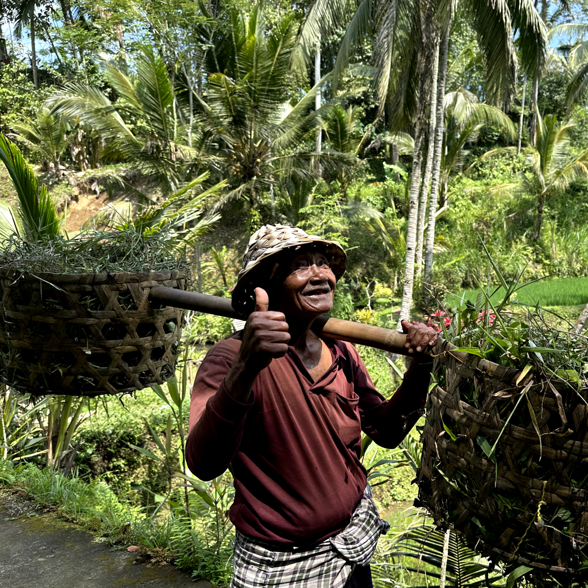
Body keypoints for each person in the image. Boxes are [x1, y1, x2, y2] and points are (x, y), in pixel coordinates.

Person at [186, 225, 438, 588]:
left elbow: (387, 431)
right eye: (301, 265)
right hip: (283, 566)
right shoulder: (228, 360)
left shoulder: (340, 350)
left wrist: (422, 365)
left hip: (352, 547)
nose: (321, 274)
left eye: (324, 264)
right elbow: (203, 463)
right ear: (264, 287)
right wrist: (246, 368)